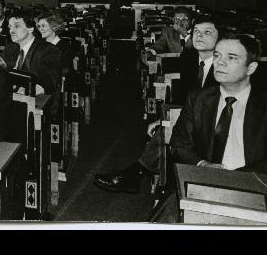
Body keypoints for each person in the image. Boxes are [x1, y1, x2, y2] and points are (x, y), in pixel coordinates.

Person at [93, 17, 222, 193]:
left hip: (218, 124)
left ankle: (140, 175)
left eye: (207, 32)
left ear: (220, 37)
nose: (200, 36)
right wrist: (163, 118)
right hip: (192, 119)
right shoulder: (189, 57)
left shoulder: (224, 64)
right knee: (167, 128)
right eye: (196, 32)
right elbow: (183, 98)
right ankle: (154, 181)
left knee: (175, 131)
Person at [171, 34, 267, 175]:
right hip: (204, 179)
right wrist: (202, 164)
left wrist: (236, 178)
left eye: (231, 57)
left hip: (255, 185)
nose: (220, 62)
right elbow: (179, 143)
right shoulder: (198, 98)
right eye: (217, 56)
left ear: (251, 68)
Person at [2, 10, 61, 96]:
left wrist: (28, 90)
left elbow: (49, 81)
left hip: (36, 102)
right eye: (10, 27)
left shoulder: (49, 50)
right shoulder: (10, 48)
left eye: (17, 26)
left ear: (30, 29)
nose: (11, 31)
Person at [36, 11, 76, 76]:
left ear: (54, 27)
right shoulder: (39, 45)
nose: (41, 29)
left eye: (43, 26)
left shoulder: (65, 48)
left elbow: (64, 73)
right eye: (39, 26)